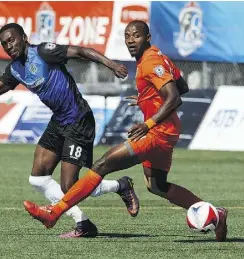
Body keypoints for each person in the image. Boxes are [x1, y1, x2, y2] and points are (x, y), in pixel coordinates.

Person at [23, 20, 228, 242]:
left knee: (102, 165)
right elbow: (183, 86)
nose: (131, 40)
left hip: (156, 134)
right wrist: (146, 98)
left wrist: (148, 124)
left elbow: (175, 97)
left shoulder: (150, 61)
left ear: (147, 37)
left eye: (136, 36)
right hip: (166, 133)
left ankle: (54, 213)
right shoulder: (158, 57)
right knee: (156, 186)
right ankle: (216, 214)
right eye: (127, 36)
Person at [0, 23, 140, 238]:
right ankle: (83, 223)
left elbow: (80, 51)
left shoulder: (43, 52)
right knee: (38, 179)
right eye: (4, 44)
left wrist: (111, 64)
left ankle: (121, 185)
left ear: (23, 37)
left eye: (12, 40)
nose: (9, 46)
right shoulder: (14, 70)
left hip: (79, 120)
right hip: (59, 122)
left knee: (70, 186)